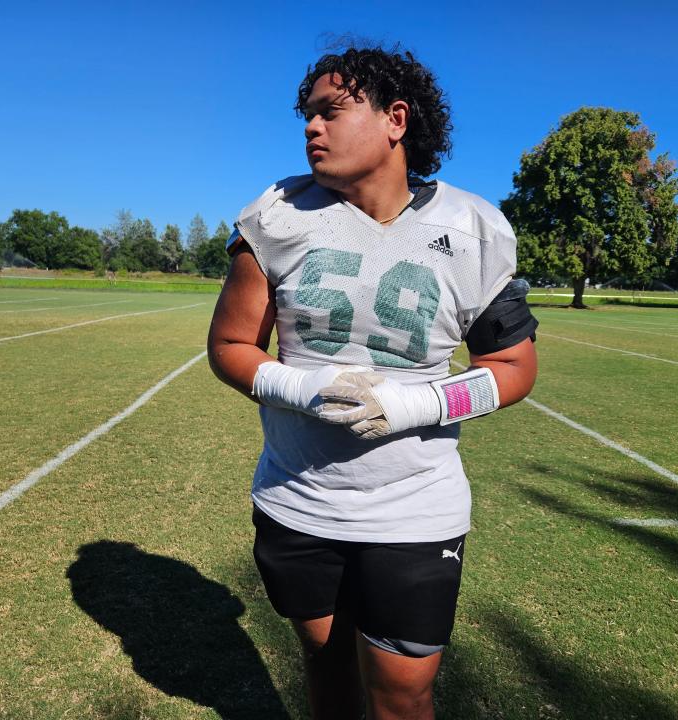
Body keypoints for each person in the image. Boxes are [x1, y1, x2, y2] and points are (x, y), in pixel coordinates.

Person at [207, 45, 538, 720]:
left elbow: (515, 369)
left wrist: (415, 403)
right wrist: (307, 391)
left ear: (395, 119)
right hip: (298, 502)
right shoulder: (275, 218)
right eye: (307, 115)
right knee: (328, 676)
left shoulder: (473, 228)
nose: (311, 128)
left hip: (415, 509)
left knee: (404, 694)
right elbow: (229, 346)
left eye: (330, 111)